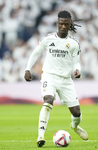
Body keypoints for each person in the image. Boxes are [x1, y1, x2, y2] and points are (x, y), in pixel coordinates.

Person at [24, 10, 88, 147]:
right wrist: (27, 69)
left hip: (66, 80)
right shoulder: (48, 39)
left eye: (66, 24)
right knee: (48, 100)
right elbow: (36, 53)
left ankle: (75, 127)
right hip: (49, 76)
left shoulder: (74, 43)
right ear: (57, 24)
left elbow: (76, 62)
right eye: (61, 24)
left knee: (77, 113)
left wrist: (78, 70)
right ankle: (40, 136)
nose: (63, 26)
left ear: (70, 24)